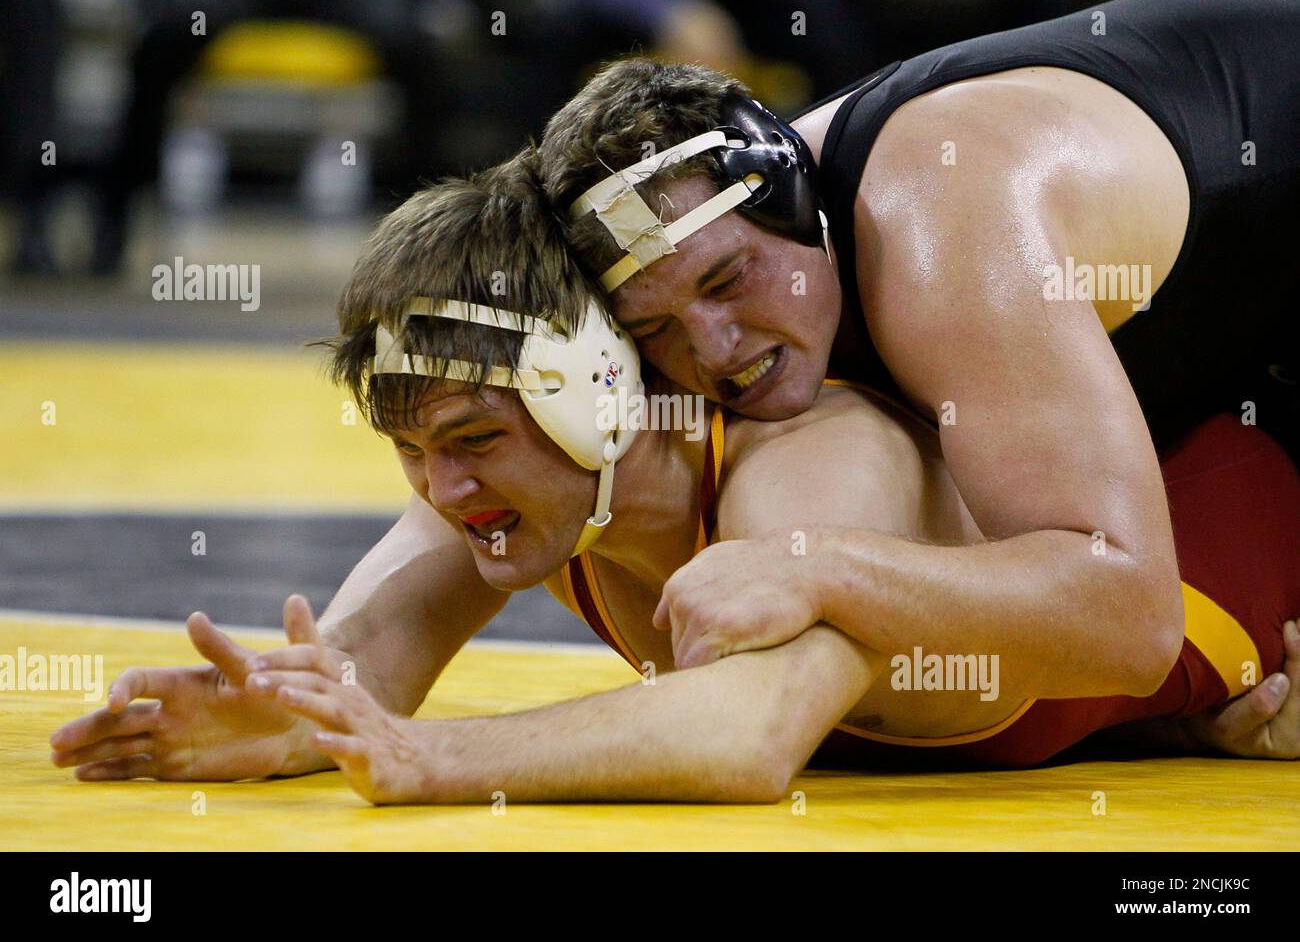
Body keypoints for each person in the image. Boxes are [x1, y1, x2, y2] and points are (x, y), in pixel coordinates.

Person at [49, 160, 1300, 803]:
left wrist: (431, 759)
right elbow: (364, 656)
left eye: (473, 439)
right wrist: (282, 721)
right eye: (409, 446)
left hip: (1261, 503)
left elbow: (747, 734)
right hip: (1125, 666)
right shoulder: (526, 474)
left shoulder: (809, 464)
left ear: (592, 387)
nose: (439, 488)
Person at [532, 0, 1300, 691]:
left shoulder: (941, 226)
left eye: (727, 282)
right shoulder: (715, 228)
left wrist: (819, 571)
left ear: (797, 207)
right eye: (655, 327)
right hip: (1238, 295)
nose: (713, 349)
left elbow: (1132, 618)